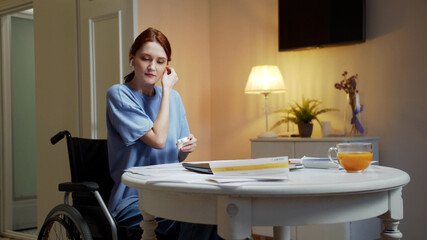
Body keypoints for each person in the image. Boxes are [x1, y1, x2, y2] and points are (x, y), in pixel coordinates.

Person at [106, 27, 222, 240]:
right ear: (132, 59)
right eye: (145, 58)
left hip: (172, 192)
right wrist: (166, 91)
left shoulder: (174, 98)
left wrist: (187, 147)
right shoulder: (119, 95)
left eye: (160, 61)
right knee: (197, 220)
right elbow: (158, 140)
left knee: (218, 217)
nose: (152, 67)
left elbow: (175, 152)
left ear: (167, 65)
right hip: (134, 199)